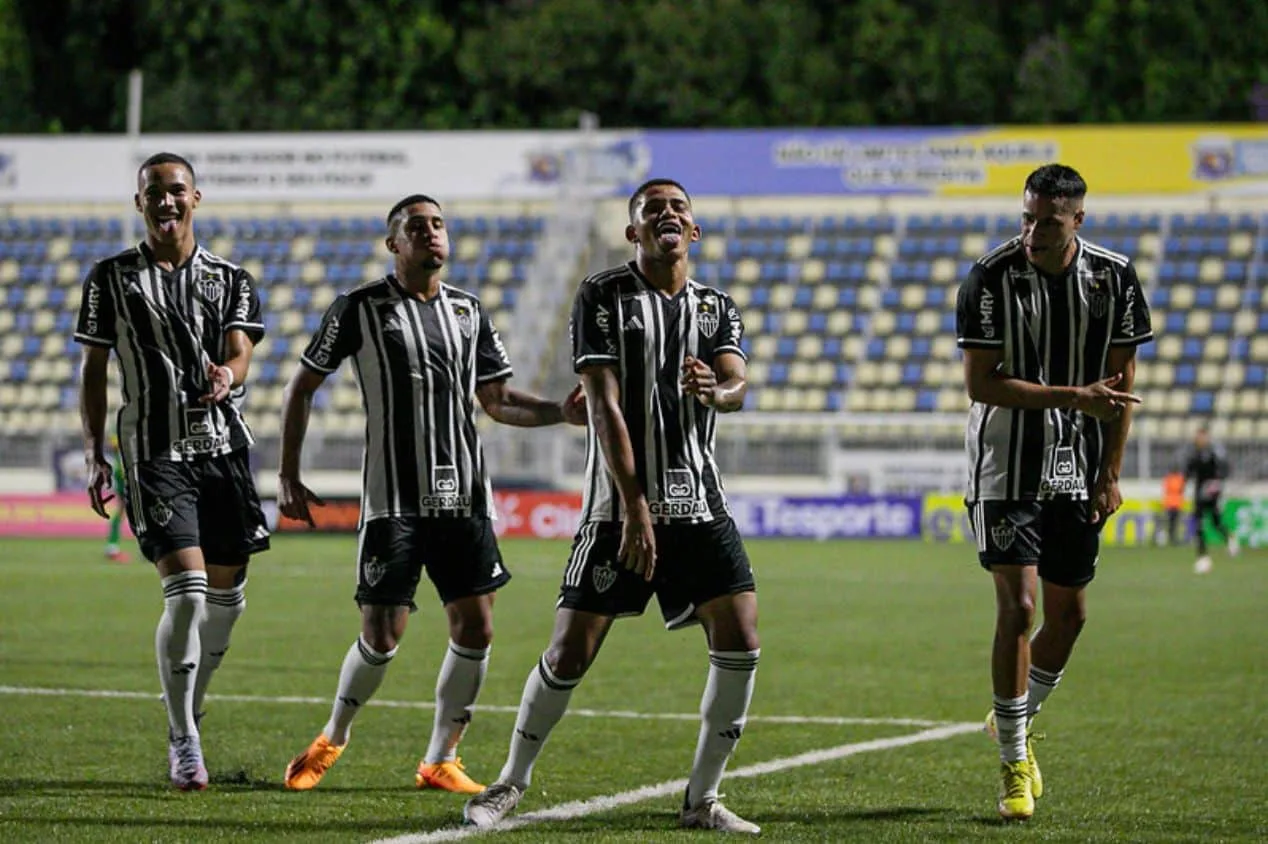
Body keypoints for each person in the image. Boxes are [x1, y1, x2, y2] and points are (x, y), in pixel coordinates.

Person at [463, 179, 762, 835]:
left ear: (696, 230)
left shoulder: (716, 309)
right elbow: (601, 403)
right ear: (633, 233)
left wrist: (719, 388)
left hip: (700, 506)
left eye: (679, 206)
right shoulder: (604, 295)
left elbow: (740, 384)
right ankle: (509, 782)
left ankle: (702, 799)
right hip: (615, 512)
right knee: (570, 651)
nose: (667, 214)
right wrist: (633, 507)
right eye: (652, 209)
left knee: (741, 638)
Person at [277, 193, 586, 794]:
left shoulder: (469, 312)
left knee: (477, 629)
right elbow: (301, 387)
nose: (431, 234)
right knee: (382, 633)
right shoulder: (359, 308)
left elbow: (496, 400)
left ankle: (440, 758)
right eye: (416, 227)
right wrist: (288, 473)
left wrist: (559, 412)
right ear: (394, 244)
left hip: (464, 500)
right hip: (393, 501)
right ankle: (333, 736)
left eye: (438, 225)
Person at [955, 164, 1152, 820]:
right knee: (1021, 607)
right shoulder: (990, 278)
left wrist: (1112, 472)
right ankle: (1014, 758)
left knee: (1070, 617)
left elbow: (1122, 385)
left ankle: (1009, 716)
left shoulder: (1115, 279)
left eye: (1048, 221)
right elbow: (981, 384)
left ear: (1078, 221)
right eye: (1027, 217)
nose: (1032, 232)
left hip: (1078, 467)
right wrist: (1073, 396)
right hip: (1005, 466)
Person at [75, 152, 271, 791]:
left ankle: (188, 699)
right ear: (139, 204)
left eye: (176, 190)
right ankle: (184, 737)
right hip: (155, 452)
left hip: (222, 448)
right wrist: (91, 447)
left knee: (226, 602)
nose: (166, 201)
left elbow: (241, 354)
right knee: (186, 594)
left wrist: (227, 375)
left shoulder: (230, 278)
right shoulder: (110, 279)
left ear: (196, 198)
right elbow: (95, 366)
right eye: (154, 192)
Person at [1184, 426, 1238, 573]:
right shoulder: (1194, 453)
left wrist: (1217, 485)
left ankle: (1229, 539)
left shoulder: (1214, 453)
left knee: (1215, 522)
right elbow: (1188, 471)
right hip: (1199, 494)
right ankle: (1203, 557)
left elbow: (1223, 471)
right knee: (1199, 524)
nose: (1199, 439)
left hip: (1212, 493)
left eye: (1202, 436)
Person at [103, 435, 131, 563]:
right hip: (125, 473)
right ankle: (112, 548)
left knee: (123, 512)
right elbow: (114, 444)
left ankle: (112, 547)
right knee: (124, 511)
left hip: (124, 472)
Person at [1156, 469, 1186, 547]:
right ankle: (1172, 539)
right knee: (1173, 523)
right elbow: (1181, 489)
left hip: (1170, 503)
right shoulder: (1180, 479)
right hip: (1175, 503)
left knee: (1170, 523)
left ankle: (1170, 538)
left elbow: (1166, 489)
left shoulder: (1168, 478)